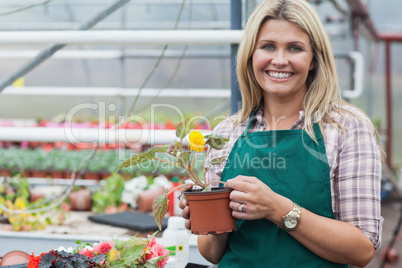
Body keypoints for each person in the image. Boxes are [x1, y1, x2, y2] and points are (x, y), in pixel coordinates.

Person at [179, 0, 383, 267]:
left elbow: (362, 249)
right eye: (268, 46)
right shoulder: (228, 131)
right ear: (251, 54)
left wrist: (279, 209)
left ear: (313, 60)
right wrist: (209, 219)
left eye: (295, 48)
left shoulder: (346, 128)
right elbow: (211, 252)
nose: (279, 60)